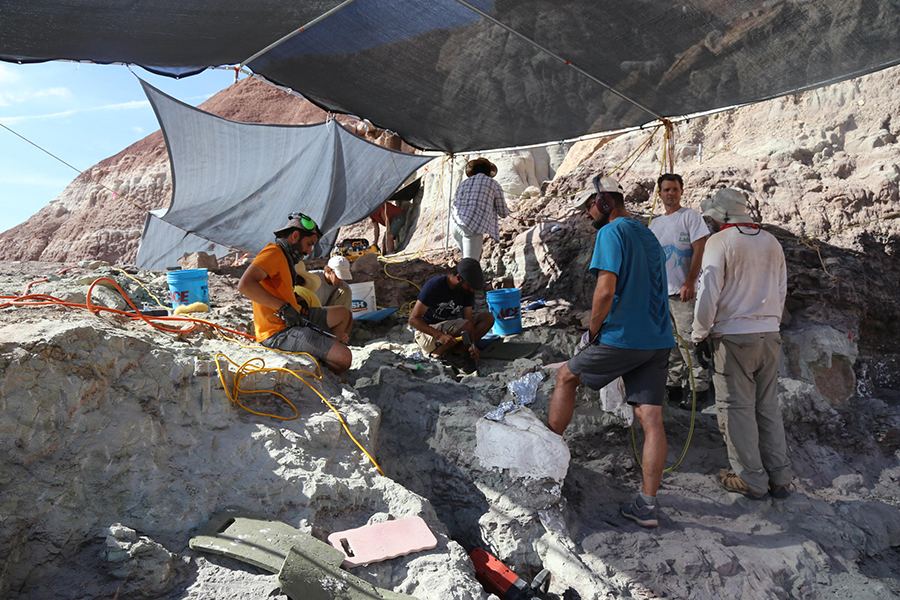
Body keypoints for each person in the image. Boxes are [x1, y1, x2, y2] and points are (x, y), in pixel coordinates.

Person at [548, 175, 675, 528]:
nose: (588, 216)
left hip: (624, 337)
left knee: (565, 376)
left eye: (589, 206)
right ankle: (647, 505)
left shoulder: (611, 232)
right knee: (651, 419)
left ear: (603, 201)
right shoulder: (646, 232)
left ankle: (544, 462)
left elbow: (605, 291)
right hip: (658, 339)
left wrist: (591, 332)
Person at [692, 188, 791, 500]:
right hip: (769, 333)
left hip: (734, 337)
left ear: (722, 217)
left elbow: (708, 291)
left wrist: (699, 333)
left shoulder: (720, 242)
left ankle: (750, 478)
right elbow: (781, 289)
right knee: (768, 407)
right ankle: (780, 477)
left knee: (737, 409)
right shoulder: (771, 242)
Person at [237, 214, 353, 374]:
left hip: (295, 318)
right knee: (345, 357)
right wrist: (283, 307)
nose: (309, 250)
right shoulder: (273, 252)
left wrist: (297, 300)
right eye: (308, 244)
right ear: (295, 235)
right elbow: (245, 285)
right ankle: (326, 362)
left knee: (343, 314)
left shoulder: (286, 257)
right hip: (277, 332)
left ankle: (323, 352)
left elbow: (278, 288)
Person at [648, 173, 711, 408]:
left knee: (688, 341)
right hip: (662, 294)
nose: (670, 193)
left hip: (683, 293)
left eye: (675, 189)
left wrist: (690, 281)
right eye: (666, 190)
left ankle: (699, 388)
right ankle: (673, 384)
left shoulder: (691, 217)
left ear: (682, 191)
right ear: (660, 193)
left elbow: (699, 248)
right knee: (669, 343)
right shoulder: (655, 224)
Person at [408, 258, 495, 366]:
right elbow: (413, 320)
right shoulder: (434, 286)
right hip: (427, 334)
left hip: (452, 329)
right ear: (458, 277)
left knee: (488, 318)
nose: (471, 290)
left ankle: (458, 353)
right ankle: (436, 355)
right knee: (465, 326)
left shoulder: (467, 290)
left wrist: (472, 346)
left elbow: (468, 319)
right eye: (469, 286)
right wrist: (439, 335)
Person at [450, 157, 509, 260]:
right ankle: (467, 276)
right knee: (470, 262)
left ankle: (462, 275)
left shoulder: (463, 183)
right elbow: (503, 213)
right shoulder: (493, 184)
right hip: (472, 224)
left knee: (466, 259)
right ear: (488, 172)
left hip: (454, 224)